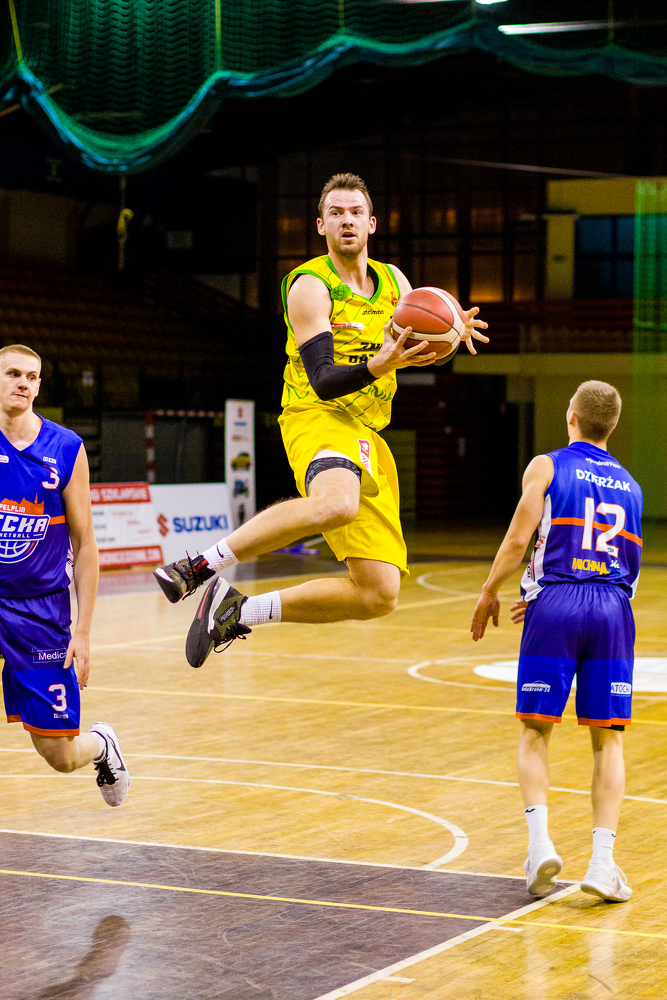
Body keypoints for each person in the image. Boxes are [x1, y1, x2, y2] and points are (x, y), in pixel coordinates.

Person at [154, 172, 489, 667]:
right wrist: (380, 365)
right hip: (316, 413)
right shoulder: (309, 286)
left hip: (367, 432)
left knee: (379, 593)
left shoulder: (397, 283)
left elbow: (416, 345)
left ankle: (237, 610)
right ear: (321, 225)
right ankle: (199, 566)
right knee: (336, 504)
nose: (346, 221)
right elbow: (324, 380)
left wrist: (451, 333)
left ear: (372, 223)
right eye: (336, 213)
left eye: (355, 212)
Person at [470, 381, 641, 902]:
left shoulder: (546, 466)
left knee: (535, 731)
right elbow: (629, 572)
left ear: (571, 417)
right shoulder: (632, 486)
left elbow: (519, 539)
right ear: (612, 425)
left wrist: (494, 592)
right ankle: (603, 864)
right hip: (612, 608)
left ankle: (540, 846)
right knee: (608, 739)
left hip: (556, 605)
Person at [0, 344, 128, 806]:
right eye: (13, 373)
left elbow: (85, 543)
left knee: (60, 755)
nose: (23, 383)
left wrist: (84, 632)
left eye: (31, 377)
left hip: (41, 612)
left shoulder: (66, 448)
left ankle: (101, 744)